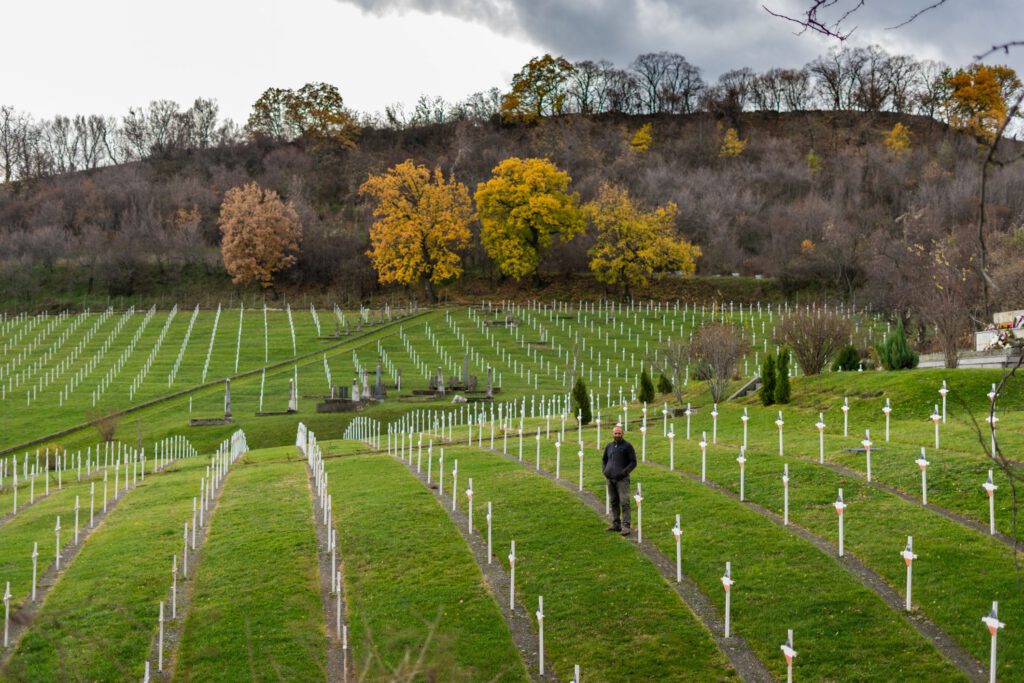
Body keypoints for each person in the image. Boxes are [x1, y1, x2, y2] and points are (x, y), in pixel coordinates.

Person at [602, 424, 637, 536]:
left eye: (619, 433)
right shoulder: (609, 446)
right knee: (613, 501)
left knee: (624, 502)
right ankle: (616, 524)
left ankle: (626, 526)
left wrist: (624, 472)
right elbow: (604, 459)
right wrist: (605, 471)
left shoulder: (627, 446)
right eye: (615, 433)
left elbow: (633, 462)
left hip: (622, 480)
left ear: (622, 434)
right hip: (610, 479)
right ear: (612, 434)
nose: (617, 435)